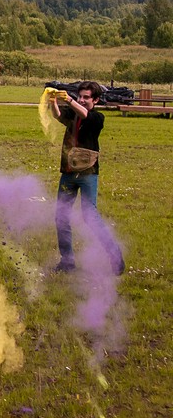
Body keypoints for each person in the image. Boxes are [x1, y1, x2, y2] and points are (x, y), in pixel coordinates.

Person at [47, 81, 125, 275]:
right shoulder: (73, 113)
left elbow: (86, 115)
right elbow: (58, 116)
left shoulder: (98, 118)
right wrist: (52, 101)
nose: (82, 99)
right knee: (61, 217)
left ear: (96, 100)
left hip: (88, 174)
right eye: (80, 96)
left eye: (86, 97)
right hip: (68, 173)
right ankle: (67, 262)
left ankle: (115, 256)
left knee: (90, 216)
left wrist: (71, 100)